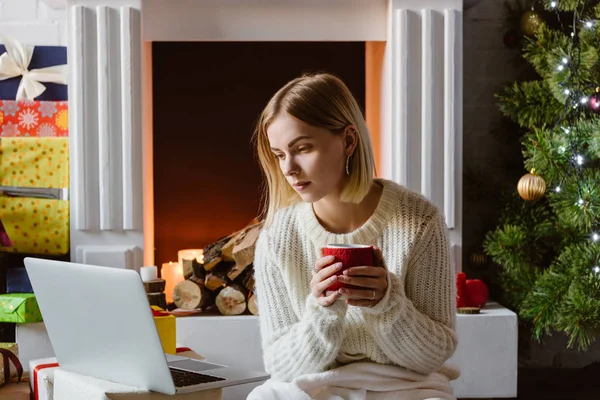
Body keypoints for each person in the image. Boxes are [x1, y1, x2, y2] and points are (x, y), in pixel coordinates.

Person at [247, 72, 459, 400]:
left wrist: (387, 303)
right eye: (278, 154)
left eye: (302, 148)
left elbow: (434, 355)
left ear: (348, 140)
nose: (288, 168)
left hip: (406, 384)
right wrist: (321, 310)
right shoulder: (277, 237)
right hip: (316, 382)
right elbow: (281, 365)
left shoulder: (419, 222)